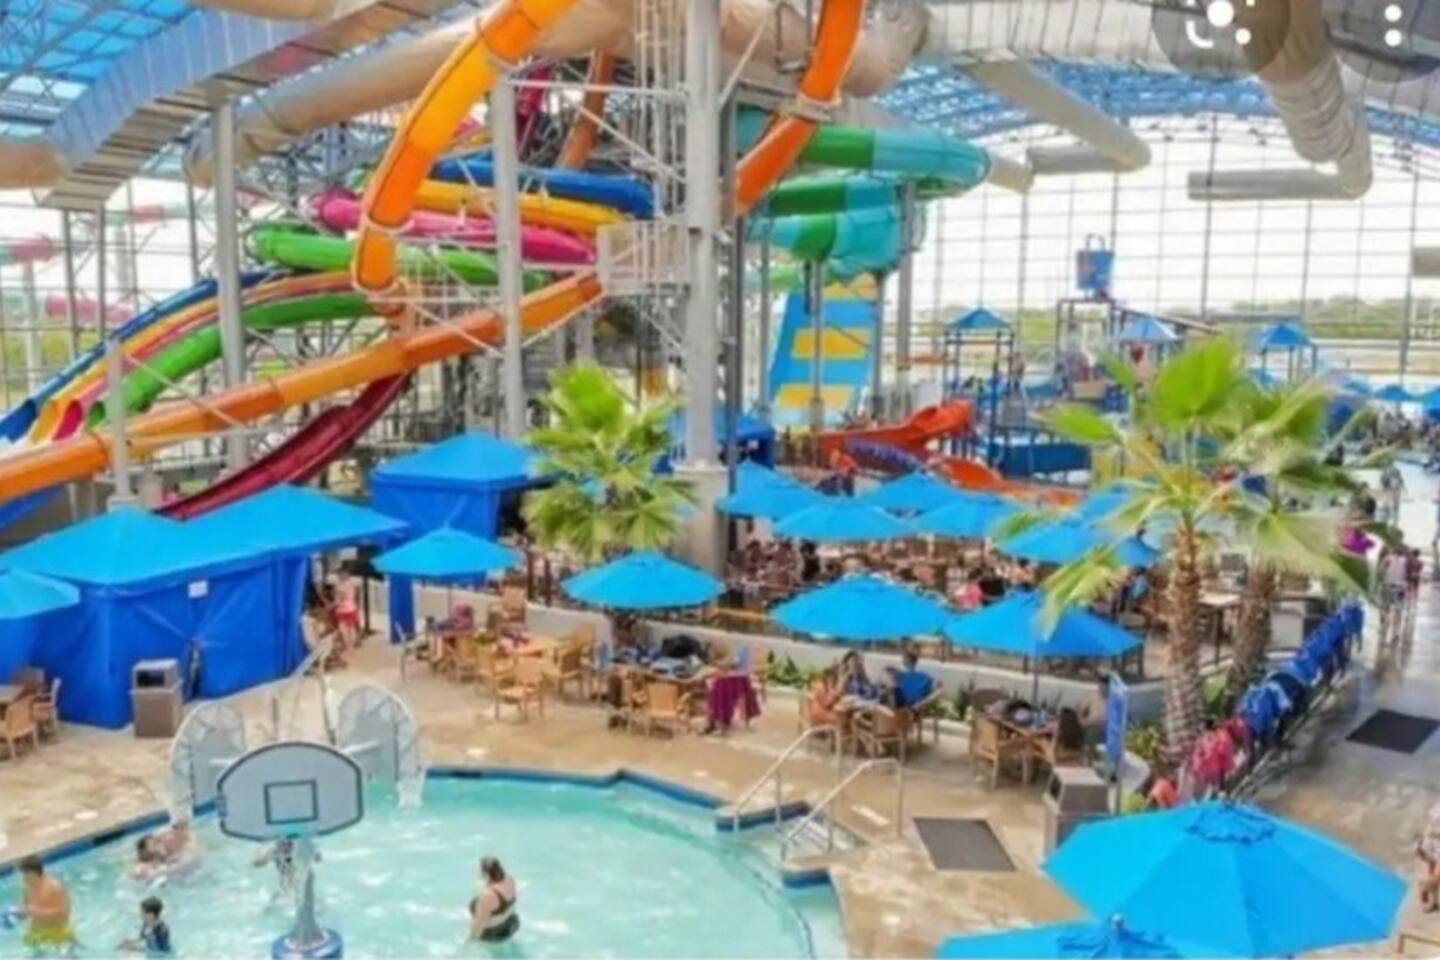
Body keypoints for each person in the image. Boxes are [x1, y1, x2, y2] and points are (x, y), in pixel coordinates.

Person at [16, 856, 73, 952]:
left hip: (58, 932)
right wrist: (18, 914)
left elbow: (64, 914)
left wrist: (37, 912)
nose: (23, 877)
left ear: (33, 873)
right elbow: (27, 910)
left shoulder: (54, 887)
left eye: (24, 874)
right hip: (36, 932)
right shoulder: (28, 888)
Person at [469, 856, 519, 943]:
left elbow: (478, 927)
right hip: (511, 924)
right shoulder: (510, 880)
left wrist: (469, 942)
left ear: (486, 874)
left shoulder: (488, 896)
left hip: (493, 934)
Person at [1419, 801, 1440, 913]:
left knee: (1433, 872)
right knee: (1436, 874)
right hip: (1434, 838)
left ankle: (1433, 902)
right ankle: (1425, 887)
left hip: (1431, 838)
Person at [334, 570, 361, 651]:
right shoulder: (351, 585)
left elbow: (339, 600)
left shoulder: (339, 586)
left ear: (341, 576)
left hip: (342, 610)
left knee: (343, 628)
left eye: (338, 576)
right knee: (352, 628)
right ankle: (352, 646)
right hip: (352, 608)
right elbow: (355, 596)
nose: (337, 577)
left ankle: (348, 646)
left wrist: (333, 604)